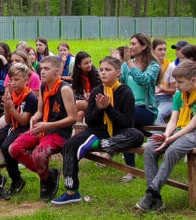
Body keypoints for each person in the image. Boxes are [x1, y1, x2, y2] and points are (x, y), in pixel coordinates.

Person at [53, 56, 142, 205]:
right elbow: (90, 120)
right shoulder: (97, 91)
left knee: (137, 135)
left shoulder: (125, 92)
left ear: (118, 73)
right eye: (101, 70)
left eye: (108, 70)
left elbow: (127, 123)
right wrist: (100, 109)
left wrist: (109, 108)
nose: (103, 73)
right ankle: (71, 191)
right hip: (97, 132)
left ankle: (102, 144)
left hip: (118, 133)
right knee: (69, 145)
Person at [137, 60, 196, 212]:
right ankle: (155, 200)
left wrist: (170, 139)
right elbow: (173, 119)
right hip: (179, 131)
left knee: (173, 150)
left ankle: (151, 192)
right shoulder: (180, 95)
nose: (176, 85)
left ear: (193, 80)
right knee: (150, 148)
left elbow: (193, 125)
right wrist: (166, 135)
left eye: (180, 82)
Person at [9, 56, 76, 201]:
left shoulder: (65, 89)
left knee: (38, 154)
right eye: (41, 69)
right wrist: (35, 117)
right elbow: (40, 111)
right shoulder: (43, 86)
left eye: (46, 69)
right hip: (44, 128)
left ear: (57, 72)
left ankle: (46, 181)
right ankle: (48, 175)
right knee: (14, 148)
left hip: (59, 132)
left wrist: (47, 125)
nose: (42, 72)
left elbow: (72, 118)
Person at [0, 63, 37, 199]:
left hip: (24, 129)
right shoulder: (12, 94)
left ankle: (16, 179)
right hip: (12, 126)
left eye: (16, 79)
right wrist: (7, 107)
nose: (12, 83)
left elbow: (24, 122)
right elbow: (8, 121)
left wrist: (11, 107)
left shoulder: (30, 98)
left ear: (26, 80)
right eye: (11, 79)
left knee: (7, 147)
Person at [118, 33, 160, 180]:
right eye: (130, 43)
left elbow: (144, 80)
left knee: (125, 120)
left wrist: (130, 64)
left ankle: (125, 164)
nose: (130, 47)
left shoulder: (153, 66)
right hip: (130, 110)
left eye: (134, 44)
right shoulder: (125, 64)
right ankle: (131, 169)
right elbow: (121, 83)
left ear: (143, 47)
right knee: (126, 127)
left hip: (146, 110)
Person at [71, 51, 100, 122]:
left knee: (76, 104)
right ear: (79, 65)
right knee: (80, 114)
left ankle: (65, 125)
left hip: (97, 102)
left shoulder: (96, 73)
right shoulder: (76, 77)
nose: (89, 65)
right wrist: (84, 97)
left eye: (90, 62)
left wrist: (91, 95)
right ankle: (77, 133)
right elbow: (75, 94)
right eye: (86, 63)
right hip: (86, 102)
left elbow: (101, 89)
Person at [153, 39, 175, 124]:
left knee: (158, 114)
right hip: (152, 99)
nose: (163, 52)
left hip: (167, 99)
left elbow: (173, 91)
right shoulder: (149, 66)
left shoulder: (170, 67)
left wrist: (162, 90)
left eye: (164, 49)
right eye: (160, 49)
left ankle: (155, 137)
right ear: (152, 51)